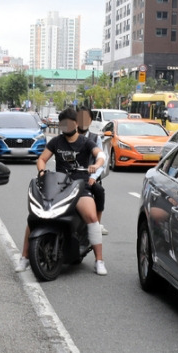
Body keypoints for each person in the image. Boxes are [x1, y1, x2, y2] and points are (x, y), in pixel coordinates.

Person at [16, 107, 108, 275]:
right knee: (35, 217)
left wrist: (96, 165)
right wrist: (42, 171)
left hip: (80, 186)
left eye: (68, 123)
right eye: (62, 124)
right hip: (58, 185)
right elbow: (42, 159)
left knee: (92, 217)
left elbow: (100, 154)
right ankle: (24, 257)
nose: (65, 127)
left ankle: (99, 260)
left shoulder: (86, 142)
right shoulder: (56, 142)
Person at [77, 106, 108, 235]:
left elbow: (101, 160)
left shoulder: (95, 139)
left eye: (86, 119)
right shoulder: (67, 137)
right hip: (70, 176)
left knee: (99, 191)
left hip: (89, 177)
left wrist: (93, 176)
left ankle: (97, 224)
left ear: (91, 121)